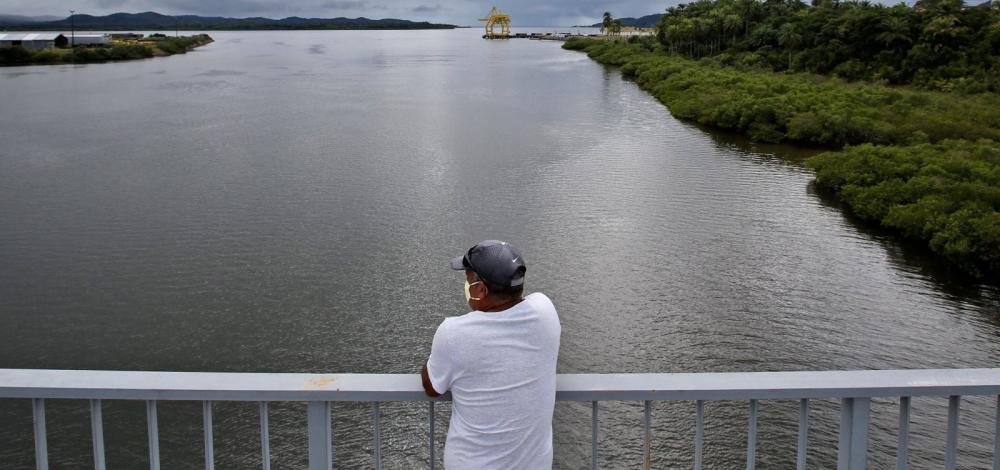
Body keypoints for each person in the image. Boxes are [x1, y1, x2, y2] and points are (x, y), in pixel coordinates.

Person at [421, 240, 561, 469]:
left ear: (481, 290)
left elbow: (432, 386)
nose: (466, 287)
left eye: (468, 280)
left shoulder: (453, 332)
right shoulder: (546, 311)